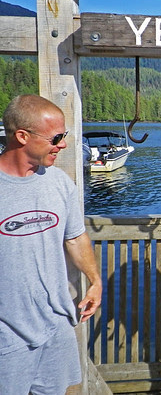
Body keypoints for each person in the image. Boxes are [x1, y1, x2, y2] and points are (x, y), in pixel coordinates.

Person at [0, 94, 102, 394]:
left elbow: (75, 237)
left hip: (57, 326)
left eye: (64, 135)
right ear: (22, 136)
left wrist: (95, 281)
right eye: (56, 138)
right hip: (7, 336)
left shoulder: (59, 183)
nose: (64, 145)